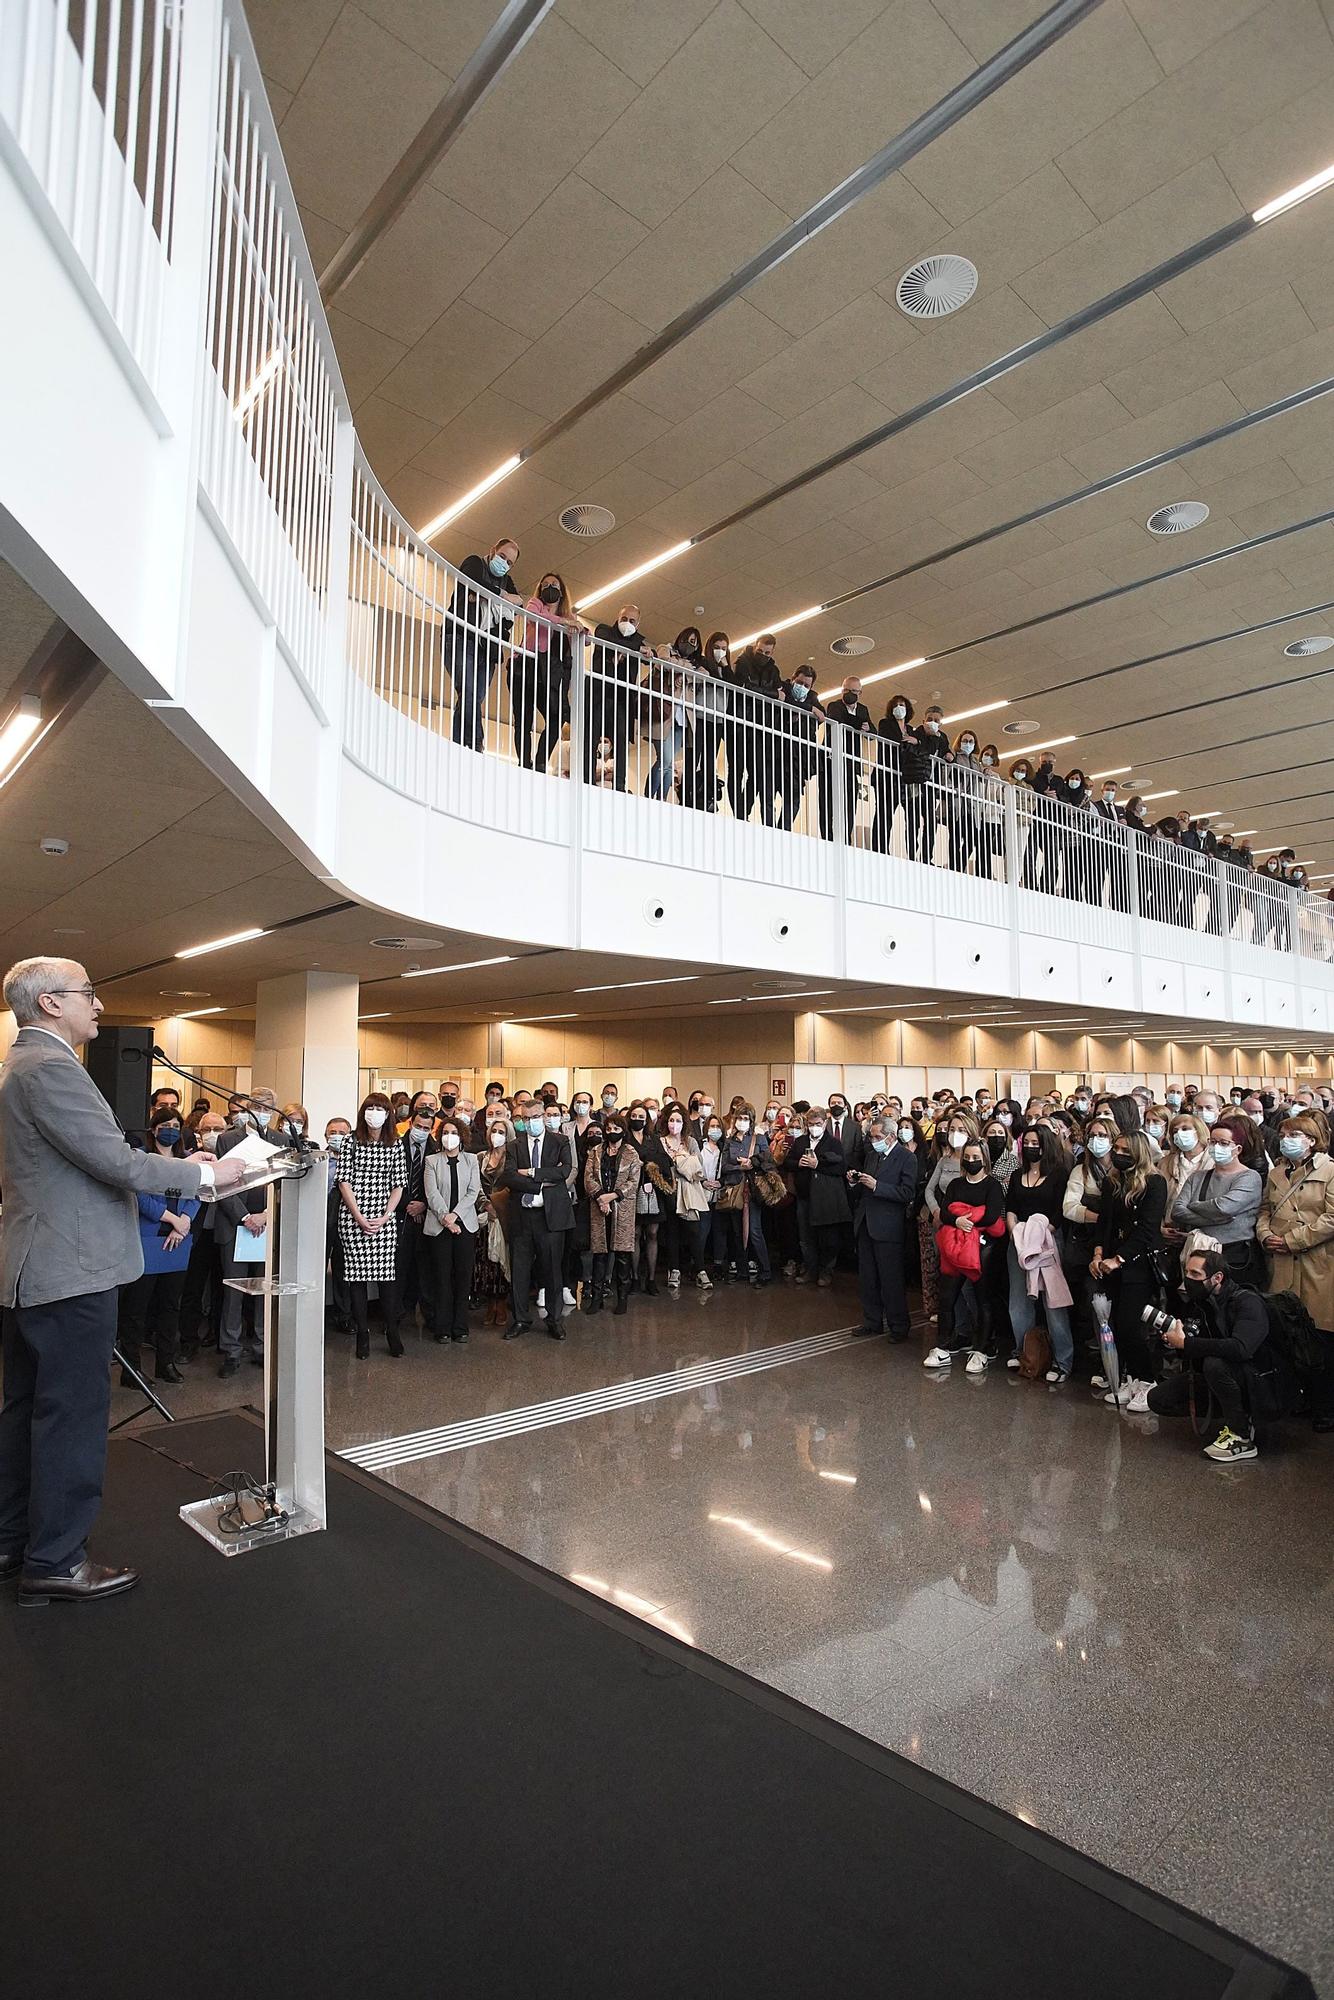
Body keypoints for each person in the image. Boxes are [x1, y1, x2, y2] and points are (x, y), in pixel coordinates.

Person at [0, 958, 245, 1603]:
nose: (100, 1006)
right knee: (72, 1416)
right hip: (70, 1270)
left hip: (40, 1267)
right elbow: (109, 1160)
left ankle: (15, 1539)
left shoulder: (21, 1066)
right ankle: (55, 1561)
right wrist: (202, 1176)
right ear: (51, 1004)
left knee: (28, 1408)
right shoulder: (52, 1068)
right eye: (89, 993)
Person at [1146, 1248, 1271, 1462]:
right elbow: (1194, 1353)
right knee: (1159, 1399)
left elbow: (1240, 1348)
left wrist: (1188, 1343)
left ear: (1217, 1277)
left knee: (1215, 1364)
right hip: (1223, 1376)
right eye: (1187, 1273)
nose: (1188, 1280)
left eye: (1195, 1274)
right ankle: (1233, 1412)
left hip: (1259, 1380)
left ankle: (1241, 1435)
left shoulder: (1247, 1301)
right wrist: (1177, 1342)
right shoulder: (1200, 1304)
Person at [117, 1106, 200, 1386]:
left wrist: (185, 1221)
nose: (171, 1129)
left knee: (170, 1306)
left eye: (176, 1124)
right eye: (166, 1124)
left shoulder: (188, 1160)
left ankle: (166, 1363)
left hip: (178, 1241)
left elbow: (197, 1193)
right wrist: (173, 1219)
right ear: (154, 1128)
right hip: (149, 1239)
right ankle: (132, 1371)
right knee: (137, 1308)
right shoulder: (142, 1159)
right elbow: (139, 1197)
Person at [1090, 1132, 1167, 1407]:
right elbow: (1104, 1223)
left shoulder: (1155, 1183)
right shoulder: (1112, 1182)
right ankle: (1131, 1379)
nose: (1119, 1153)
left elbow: (1147, 1229)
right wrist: (1099, 1253)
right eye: (1117, 1148)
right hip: (1111, 1262)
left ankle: (1148, 1382)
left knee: (1130, 1325)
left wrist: (1119, 1259)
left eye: (1126, 1150)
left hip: (1138, 1264)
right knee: (1114, 1326)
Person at [214, 1085, 280, 1378]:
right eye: (258, 1108)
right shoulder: (228, 1139)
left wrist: (266, 1215)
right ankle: (231, 1349)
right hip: (236, 1224)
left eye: (268, 1109)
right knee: (234, 1291)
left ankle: (262, 1345)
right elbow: (223, 1183)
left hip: (267, 1223)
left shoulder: (281, 1139)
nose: (263, 1114)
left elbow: (284, 1183)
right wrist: (245, 1217)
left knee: (264, 1289)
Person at [923, 1138, 1005, 1369]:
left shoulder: (992, 1185)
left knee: (982, 1299)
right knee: (947, 1297)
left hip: (982, 1249)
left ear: (985, 1160)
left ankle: (981, 1349)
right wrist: (958, 1220)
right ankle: (942, 1346)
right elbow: (946, 1211)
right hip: (955, 1247)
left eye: (976, 1158)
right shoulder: (956, 1185)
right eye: (967, 1157)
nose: (971, 1161)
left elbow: (991, 1216)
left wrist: (965, 1219)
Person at [337, 1093, 407, 1359]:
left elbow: (398, 1184)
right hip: (354, 1217)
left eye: (380, 1108)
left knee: (386, 1277)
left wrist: (387, 1214)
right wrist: (358, 1216)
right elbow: (344, 1181)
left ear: (388, 1113)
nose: (375, 1112)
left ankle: (392, 1330)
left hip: (384, 1218)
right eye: (370, 1108)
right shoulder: (350, 1141)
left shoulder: (395, 1144)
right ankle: (362, 1334)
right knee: (357, 1279)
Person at [1005, 1124, 1075, 1383]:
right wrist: (1016, 1235)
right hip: (1019, 1241)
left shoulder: (1058, 1174)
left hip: (1047, 1241)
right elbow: (1010, 1207)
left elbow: (1060, 1211)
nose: (1032, 1147)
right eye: (1028, 1143)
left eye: (1037, 1143)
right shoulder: (1016, 1175)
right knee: (1019, 1302)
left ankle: (1062, 1361)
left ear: (1046, 1145)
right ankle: (1025, 1353)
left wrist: (1042, 1234)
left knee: (1053, 1303)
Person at [1256, 1114, 1334, 1336]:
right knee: (1284, 1326)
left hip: (1316, 1259)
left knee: (1317, 1329)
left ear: (1311, 1140)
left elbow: (1332, 1217)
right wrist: (1264, 1235)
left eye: (1294, 1135)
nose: (1286, 1140)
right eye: (1282, 1136)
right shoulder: (1276, 1173)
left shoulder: (1329, 1170)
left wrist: (1292, 1240)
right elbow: (1264, 1210)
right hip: (1279, 1258)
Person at [501, 1106, 574, 1338]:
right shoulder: (514, 1145)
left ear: (543, 1117)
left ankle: (554, 1320)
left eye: (535, 1117)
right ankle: (521, 1319)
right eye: (525, 1118)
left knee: (552, 1269)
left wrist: (531, 1173)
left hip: (550, 1217)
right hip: (522, 1216)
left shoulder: (560, 1141)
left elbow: (564, 1171)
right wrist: (543, 1182)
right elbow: (510, 1176)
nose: (531, 1121)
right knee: (520, 1270)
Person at [447, 537, 523, 749]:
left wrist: (489, 596)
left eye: (509, 562)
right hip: (461, 636)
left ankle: (460, 744)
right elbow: (472, 582)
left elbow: (518, 604)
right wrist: (501, 596)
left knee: (474, 697)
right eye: (502, 557)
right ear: (493, 550)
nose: (504, 564)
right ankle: (475, 743)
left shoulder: (507, 581)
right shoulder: (474, 562)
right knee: (469, 690)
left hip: (487, 647)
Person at [1172, 1122, 1264, 1284]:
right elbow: (1178, 1211)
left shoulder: (1249, 1177)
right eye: (1213, 1142)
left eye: (1223, 1143)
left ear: (1238, 1149)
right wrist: (1215, 1218)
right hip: (1197, 1252)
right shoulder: (1197, 1177)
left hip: (1234, 1255)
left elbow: (1224, 1208)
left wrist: (1194, 1205)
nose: (1216, 1147)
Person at [853, 1116, 915, 1340]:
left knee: (891, 1279)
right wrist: (855, 1181)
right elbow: (864, 1187)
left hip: (889, 1226)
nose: (874, 1140)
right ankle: (872, 1321)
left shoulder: (906, 1158)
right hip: (866, 1223)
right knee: (868, 1277)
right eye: (872, 1136)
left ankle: (899, 1326)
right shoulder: (871, 1156)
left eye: (878, 1137)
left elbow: (907, 1193)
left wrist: (878, 1186)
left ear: (891, 1136)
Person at [423, 1119, 481, 1343]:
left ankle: (460, 1326)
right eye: (445, 1132)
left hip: (465, 1225)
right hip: (439, 1227)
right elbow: (432, 1193)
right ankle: (442, 1327)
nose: (449, 1136)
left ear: (462, 1135)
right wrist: (446, 1219)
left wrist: (455, 1216)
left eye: (454, 1132)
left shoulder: (471, 1160)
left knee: (463, 1277)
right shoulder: (431, 1161)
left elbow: (473, 1191)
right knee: (441, 1278)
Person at [518, 570, 581, 772]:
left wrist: (577, 626)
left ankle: (540, 761)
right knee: (523, 717)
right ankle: (524, 763)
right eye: (545, 585)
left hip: (550, 674)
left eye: (554, 585)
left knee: (556, 717)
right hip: (527, 666)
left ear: (561, 592)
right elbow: (534, 616)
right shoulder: (536, 603)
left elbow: (585, 639)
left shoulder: (568, 615)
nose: (550, 588)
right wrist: (564, 622)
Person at [587, 604, 648, 790]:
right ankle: (586, 778)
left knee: (620, 740)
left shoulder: (639, 642)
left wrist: (643, 650)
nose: (627, 624)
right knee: (592, 736)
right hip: (599, 694)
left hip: (622, 699)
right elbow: (609, 640)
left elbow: (651, 655)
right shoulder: (604, 630)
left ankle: (619, 784)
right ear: (617, 617)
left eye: (632, 621)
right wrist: (635, 649)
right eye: (624, 619)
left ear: (638, 624)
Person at [584, 1119, 640, 1315]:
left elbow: (634, 1181)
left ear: (623, 1131)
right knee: (599, 1255)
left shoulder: (631, 1153)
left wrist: (613, 1195)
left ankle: (622, 1298)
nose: (611, 1132)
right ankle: (596, 1298)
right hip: (599, 1207)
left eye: (616, 1129)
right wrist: (601, 1197)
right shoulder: (596, 1152)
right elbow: (588, 1177)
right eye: (608, 1129)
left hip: (622, 1207)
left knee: (622, 1255)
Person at [396, 1090, 440, 1337]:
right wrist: (407, 1205)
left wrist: (423, 1204)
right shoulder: (396, 1147)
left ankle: (429, 1316)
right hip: (401, 1215)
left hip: (426, 1215)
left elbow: (438, 1185)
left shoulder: (435, 1151)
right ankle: (396, 1315)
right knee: (400, 1268)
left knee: (425, 1270)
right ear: (411, 1124)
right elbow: (389, 1181)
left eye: (426, 1127)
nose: (421, 1130)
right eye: (418, 1126)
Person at [793, 1105, 850, 1286]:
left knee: (828, 1238)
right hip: (804, 1196)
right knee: (806, 1237)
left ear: (824, 1123)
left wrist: (818, 1165)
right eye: (810, 1124)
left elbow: (841, 1168)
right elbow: (788, 1161)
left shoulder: (833, 1143)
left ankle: (826, 1271)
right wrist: (799, 1164)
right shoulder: (801, 1141)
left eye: (817, 1123)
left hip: (826, 1198)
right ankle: (810, 1269)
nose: (814, 1127)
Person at [728, 634, 782, 823]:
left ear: (772, 652)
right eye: (760, 651)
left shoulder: (773, 670)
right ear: (755, 646)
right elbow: (744, 686)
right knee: (736, 770)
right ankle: (739, 815)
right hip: (739, 723)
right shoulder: (742, 661)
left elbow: (782, 695)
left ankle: (743, 811)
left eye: (767, 652)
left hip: (760, 728)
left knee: (758, 774)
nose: (763, 654)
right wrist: (773, 694)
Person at [720, 1106, 773, 1284]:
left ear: (751, 1120)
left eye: (745, 1118)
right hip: (735, 1189)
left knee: (755, 1230)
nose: (742, 1121)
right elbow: (724, 1166)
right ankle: (742, 1271)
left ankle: (765, 1272)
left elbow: (768, 1161)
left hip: (753, 1189)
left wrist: (752, 1163)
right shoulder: (729, 1141)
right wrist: (739, 1167)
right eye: (739, 1118)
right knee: (737, 1232)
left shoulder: (759, 1138)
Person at [820, 675, 872, 843]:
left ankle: (845, 839)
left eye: (853, 691)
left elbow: (873, 732)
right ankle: (827, 837)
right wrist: (859, 725)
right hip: (831, 760)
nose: (849, 693)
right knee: (827, 801)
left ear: (860, 693)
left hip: (851, 763)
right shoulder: (834, 705)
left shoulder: (863, 709)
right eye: (846, 690)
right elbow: (838, 720)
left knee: (849, 803)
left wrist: (867, 728)